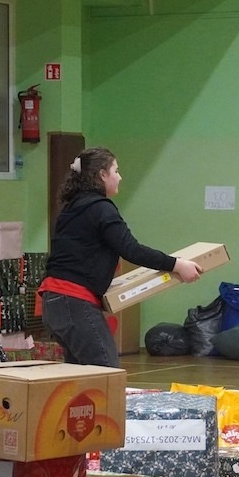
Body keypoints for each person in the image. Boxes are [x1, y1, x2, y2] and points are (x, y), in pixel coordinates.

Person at [40, 146, 202, 368]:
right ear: (102, 175)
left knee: (80, 375)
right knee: (105, 373)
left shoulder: (72, 207)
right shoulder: (101, 208)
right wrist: (177, 265)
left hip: (54, 302)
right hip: (75, 302)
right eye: (116, 171)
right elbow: (131, 250)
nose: (120, 177)